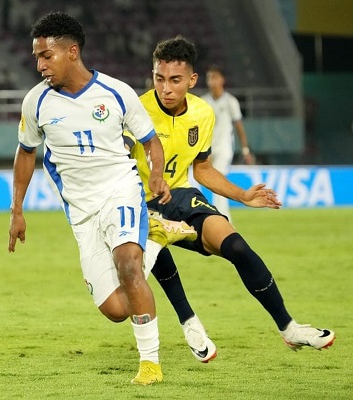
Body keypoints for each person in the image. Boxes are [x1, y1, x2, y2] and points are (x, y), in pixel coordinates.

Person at [7, 12, 195, 385]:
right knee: (115, 309)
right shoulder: (37, 103)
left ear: (72, 51)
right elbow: (26, 152)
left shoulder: (115, 93)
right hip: (81, 212)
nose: (39, 65)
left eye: (46, 56)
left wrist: (156, 175)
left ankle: (150, 365)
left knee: (128, 262)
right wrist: (17, 210)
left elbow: (150, 141)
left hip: (120, 190)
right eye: (37, 57)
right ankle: (154, 240)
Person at [125, 36, 335, 363]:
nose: (165, 88)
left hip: (180, 195)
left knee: (236, 246)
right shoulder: (136, 109)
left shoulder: (204, 113)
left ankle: (289, 328)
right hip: (137, 201)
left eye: (175, 80)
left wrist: (242, 195)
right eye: (159, 78)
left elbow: (203, 168)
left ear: (192, 80)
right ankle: (190, 322)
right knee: (153, 240)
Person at [201, 65, 254, 221]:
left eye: (215, 77)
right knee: (205, 184)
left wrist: (245, 150)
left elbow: (239, 127)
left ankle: (224, 220)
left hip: (224, 149)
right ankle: (218, 219)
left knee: (219, 182)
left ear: (222, 80)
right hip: (206, 149)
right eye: (210, 78)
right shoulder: (203, 102)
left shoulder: (231, 101)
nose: (212, 81)